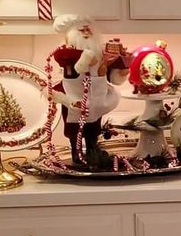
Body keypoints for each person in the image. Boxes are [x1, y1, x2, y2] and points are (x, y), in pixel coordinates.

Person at [50, 15, 129, 165]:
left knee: (93, 127)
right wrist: (85, 57)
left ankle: (93, 149)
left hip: (96, 98)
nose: (86, 33)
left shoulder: (100, 53)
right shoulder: (67, 52)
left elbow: (111, 74)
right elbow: (63, 58)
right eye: (82, 30)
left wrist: (121, 71)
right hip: (74, 97)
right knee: (74, 128)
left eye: (89, 30)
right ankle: (76, 152)